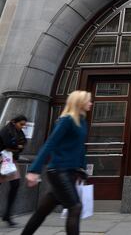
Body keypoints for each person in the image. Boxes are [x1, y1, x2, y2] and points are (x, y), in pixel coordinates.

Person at [21, 90, 92, 235]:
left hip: (71, 171)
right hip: (59, 171)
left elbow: (79, 147)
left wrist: (82, 169)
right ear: (79, 102)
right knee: (75, 207)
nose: (91, 103)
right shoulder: (67, 120)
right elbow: (50, 144)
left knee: (43, 210)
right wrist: (34, 170)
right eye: (88, 100)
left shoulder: (82, 121)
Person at [0, 115, 27, 226]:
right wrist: (17, 146)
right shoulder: (6, 130)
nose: (22, 127)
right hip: (2, 159)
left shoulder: (18, 132)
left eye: (24, 125)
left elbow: (23, 142)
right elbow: (8, 144)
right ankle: (7, 215)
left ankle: (7, 215)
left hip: (11, 161)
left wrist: (16, 146)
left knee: (15, 185)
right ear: (13, 122)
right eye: (21, 124)